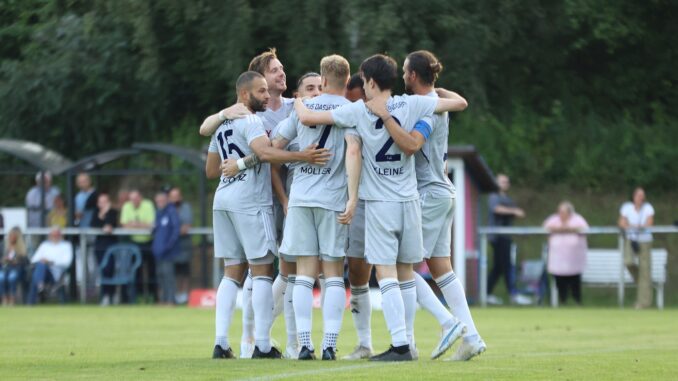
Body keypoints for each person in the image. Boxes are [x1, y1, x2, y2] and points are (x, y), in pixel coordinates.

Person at [293, 53, 469, 361]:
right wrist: (437, 93)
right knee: (405, 273)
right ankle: (428, 332)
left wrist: (297, 102)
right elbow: (459, 105)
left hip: (379, 203)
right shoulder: (411, 103)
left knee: (386, 274)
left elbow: (310, 119)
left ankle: (403, 343)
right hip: (410, 201)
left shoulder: (359, 111)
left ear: (371, 82)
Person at [205, 70, 330, 360]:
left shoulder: (222, 125)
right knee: (262, 271)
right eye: (261, 91)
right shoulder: (252, 120)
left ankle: (221, 343)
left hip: (222, 199)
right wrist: (303, 156)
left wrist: (236, 163)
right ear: (245, 94)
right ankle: (262, 344)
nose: (266, 96)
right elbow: (267, 153)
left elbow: (211, 171)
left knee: (231, 272)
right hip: (249, 201)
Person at [396, 50, 485, 361]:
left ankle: (447, 325)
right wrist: (436, 89)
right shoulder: (435, 101)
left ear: (414, 76)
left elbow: (413, 144)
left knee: (400, 265)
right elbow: (458, 100)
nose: (402, 76)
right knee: (440, 268)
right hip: (443, 193)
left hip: (428, 195)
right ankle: (471, 337)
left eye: (406, 71)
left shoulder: (428, 111)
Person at [272, 55, 359, 360]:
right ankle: (330, 345)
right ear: (347, 81)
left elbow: (274, 145)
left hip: (301, 198)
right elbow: (353, 152)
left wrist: (300, 157)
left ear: (322, 80)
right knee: (334, 273)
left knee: (304, 274)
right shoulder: (351, 110)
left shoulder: (304, 108)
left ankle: (305, 345)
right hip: (332, 199)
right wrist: (352, 196)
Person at [486, 174, 531, 305]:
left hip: (506, 236)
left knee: (499, 267)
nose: (504, 184)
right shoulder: (494, 196)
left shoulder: (508, 199)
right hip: (497, 237)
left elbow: (515, 213)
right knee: (506, 265)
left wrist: (515, 212)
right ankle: (513, 293)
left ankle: (487, 293)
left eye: (506, 182)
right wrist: (514, 211)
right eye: (501, 182)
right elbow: (496, 209)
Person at [544, 201, 589, 305]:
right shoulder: (554, 219)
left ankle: (577, 302)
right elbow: (546, 228)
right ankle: (563, 301)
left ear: (569, 212)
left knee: (575, 281)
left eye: (563, 212)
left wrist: (568, 229)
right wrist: (561, 229)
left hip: (574, 258)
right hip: (558, 259)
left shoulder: (578, 219)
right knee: (560, 282)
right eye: (559, 212)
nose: (561, 214)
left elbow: (584, 229)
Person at [618, 187, 655, 309]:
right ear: (634, 196)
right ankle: (644, 285)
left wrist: (634, 226)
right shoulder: (626, 207)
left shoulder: (648, 208)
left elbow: (649, 223)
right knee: (628, 262)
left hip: (645, 240)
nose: (641, 198)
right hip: (631, 239)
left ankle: (643, 302)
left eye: (643, 195)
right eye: (639, 195)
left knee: (645, 269)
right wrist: (633, 226)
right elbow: (622, 223)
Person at [120, 190, 156, 302]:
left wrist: (135, 225)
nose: (134, 201)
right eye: (132, 199)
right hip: (134, 242)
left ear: (140, 197)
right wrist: (141, 225)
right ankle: (139, 296)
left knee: (151, 270)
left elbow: (151, 224)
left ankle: (152, 296)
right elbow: (124, 225)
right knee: (137, 271)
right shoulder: (126, 206)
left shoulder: (148, 205)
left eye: (136, 199)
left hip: (149, 242)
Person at [27, 226, 73, 304]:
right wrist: (43, 261)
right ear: (50, 235)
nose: (54, 237)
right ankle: (40, 286)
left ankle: (39, 289)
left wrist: (50, 262)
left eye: (56, 235)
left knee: (38, 271)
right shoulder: (44, 245)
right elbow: (34, 260)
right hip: (42, 272)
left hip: (56, 274)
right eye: (53, 235)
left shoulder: (66, 245)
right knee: (41, 265)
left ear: (60, 235)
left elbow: (67, 262)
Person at [152, 191, 181, 305]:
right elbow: (157, 230)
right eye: (157, 201)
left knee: (169, 276)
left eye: (161, 200)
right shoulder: (158, 213)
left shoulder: (171, 212)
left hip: (168, 253)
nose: (159, 203)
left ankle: (170, 300)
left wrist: (168, 246)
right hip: (158, 252)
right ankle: (163, 300)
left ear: (166, 200)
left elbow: (175, 231)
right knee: (161, 276)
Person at [91, 193, 119, 306]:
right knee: (103, 270)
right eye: (101, 202)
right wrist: (102, 214)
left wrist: (106, 214)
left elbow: (110, 224)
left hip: (111, 245)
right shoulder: (95, 213)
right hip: (100, 246)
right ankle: (105, 295)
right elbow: (94, 224)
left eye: (105, 201)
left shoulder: (113, 212)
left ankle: (111, 294)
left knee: (110, 269)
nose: (103, 204)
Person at [168, 187, 193, 304]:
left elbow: (186, 227)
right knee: (173, 273)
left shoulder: (186, 208)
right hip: (171, 248)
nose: (175, 199)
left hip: (184, 246)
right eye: (172, 196)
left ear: (180, 197)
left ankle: (185, 296)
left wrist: (171, 232)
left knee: (185, 272)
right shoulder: (167, 209)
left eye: (176, 196)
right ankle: (174, 295)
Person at [1, 227, 28, 306]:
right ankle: (4, 299)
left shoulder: (22, 247)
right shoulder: (3, 246)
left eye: (13, 236)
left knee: (12, 278)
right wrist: (4, 259)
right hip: (5, 267)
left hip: (17, 269)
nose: (11, 238)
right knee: (1, 277)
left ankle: (12, 299)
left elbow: (26, 261)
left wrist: (16, 261)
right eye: (10, 236)